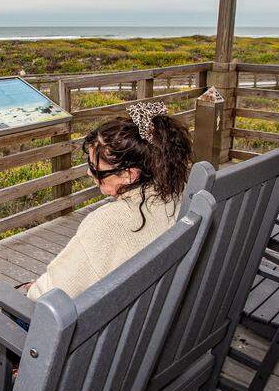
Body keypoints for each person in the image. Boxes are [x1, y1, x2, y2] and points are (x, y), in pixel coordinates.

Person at [26, 101, 193, 302]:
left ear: (129, 175)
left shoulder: (108, 222)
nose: (89, 172)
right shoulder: (175, 197)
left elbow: (49, 296)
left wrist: (31, 289)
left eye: (96, 169)